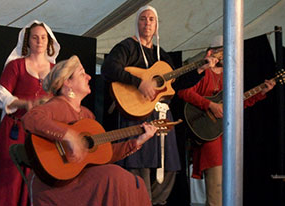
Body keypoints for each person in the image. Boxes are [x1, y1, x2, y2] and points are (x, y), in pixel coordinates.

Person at [101, 5, 217, 205]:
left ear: (156, 26)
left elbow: (176, 84)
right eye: (143, 19)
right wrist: (139, 82)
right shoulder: (127, 47)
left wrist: (200, 70)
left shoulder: (161, 54)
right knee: (139, 164)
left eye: (151, 20)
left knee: (168, 166)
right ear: (137, 23)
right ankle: (140, 200)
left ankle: (154, 202)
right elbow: (109, 68)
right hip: (135, 113)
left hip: (161, 115)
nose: (147, 23)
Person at [21, 55, 158, 206]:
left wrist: (137, 142)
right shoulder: (57, 105)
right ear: (68, 82)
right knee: (114, 175)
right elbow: (30, 118)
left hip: (83, 179)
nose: (89, 77)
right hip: (58, 186)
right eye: (82, 73)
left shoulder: (87, 115)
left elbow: (104, 154)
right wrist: (68, 136)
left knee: (135, 182)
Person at [177, 35, 276, 206]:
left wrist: (261, 92)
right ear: (212, 52)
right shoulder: (202, 72)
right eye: (223, 52)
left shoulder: (231, 77)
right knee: (216, 192)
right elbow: (183, 92)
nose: (227, 55)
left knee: (229, 190)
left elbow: (238, 105)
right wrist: (209, 105)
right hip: (208, 136)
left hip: (226, 136)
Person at [0, 20, 60, 206]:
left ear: (49, 42)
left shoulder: (53, 71)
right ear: (28, 41)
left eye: (43, 37)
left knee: (38, 175)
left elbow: (59, 99)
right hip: (15, 128)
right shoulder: (16, 66)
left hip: (41, 132)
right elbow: (1, 94)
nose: (39, 41)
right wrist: (26, 104)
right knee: (9, 175)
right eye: (35, 37)